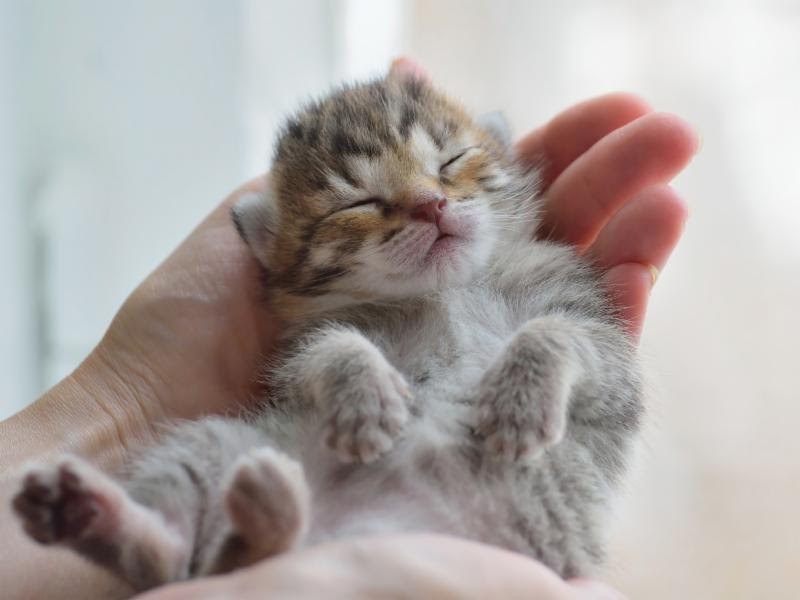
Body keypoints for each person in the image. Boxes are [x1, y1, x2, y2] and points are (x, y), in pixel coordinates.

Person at [0, 58, 698, 599]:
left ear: (504, 159)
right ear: (272, 248)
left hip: (495, 522)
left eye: (452, 164)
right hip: (345, 517)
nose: (428, 201)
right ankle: (156, 540)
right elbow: (311, 364)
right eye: (356, 204)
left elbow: (616, 396)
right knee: (217, 446)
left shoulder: (548, 277)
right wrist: (339, 364)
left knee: (241, 461)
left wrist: (551, 350)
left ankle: (215, 551)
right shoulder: (339, 327)